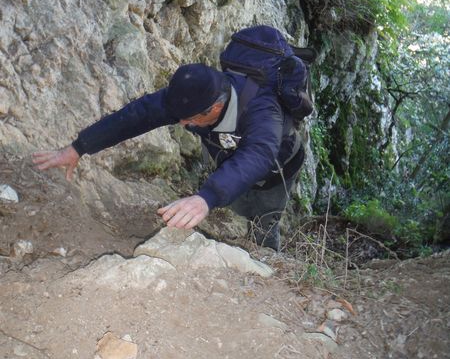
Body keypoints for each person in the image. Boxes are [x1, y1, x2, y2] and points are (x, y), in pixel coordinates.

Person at [33, 63, 304, 250]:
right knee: (235, 205)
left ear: (216, 107)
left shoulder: (262, 110)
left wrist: (207, 197)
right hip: (230, 157)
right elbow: (136, 116)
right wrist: (78, 148)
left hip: (277, 170)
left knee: (264, 217)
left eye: (190, 119)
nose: (183, 124)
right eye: (180, 117)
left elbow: (258, 154)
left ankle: (266, 258)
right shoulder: (190, 98)